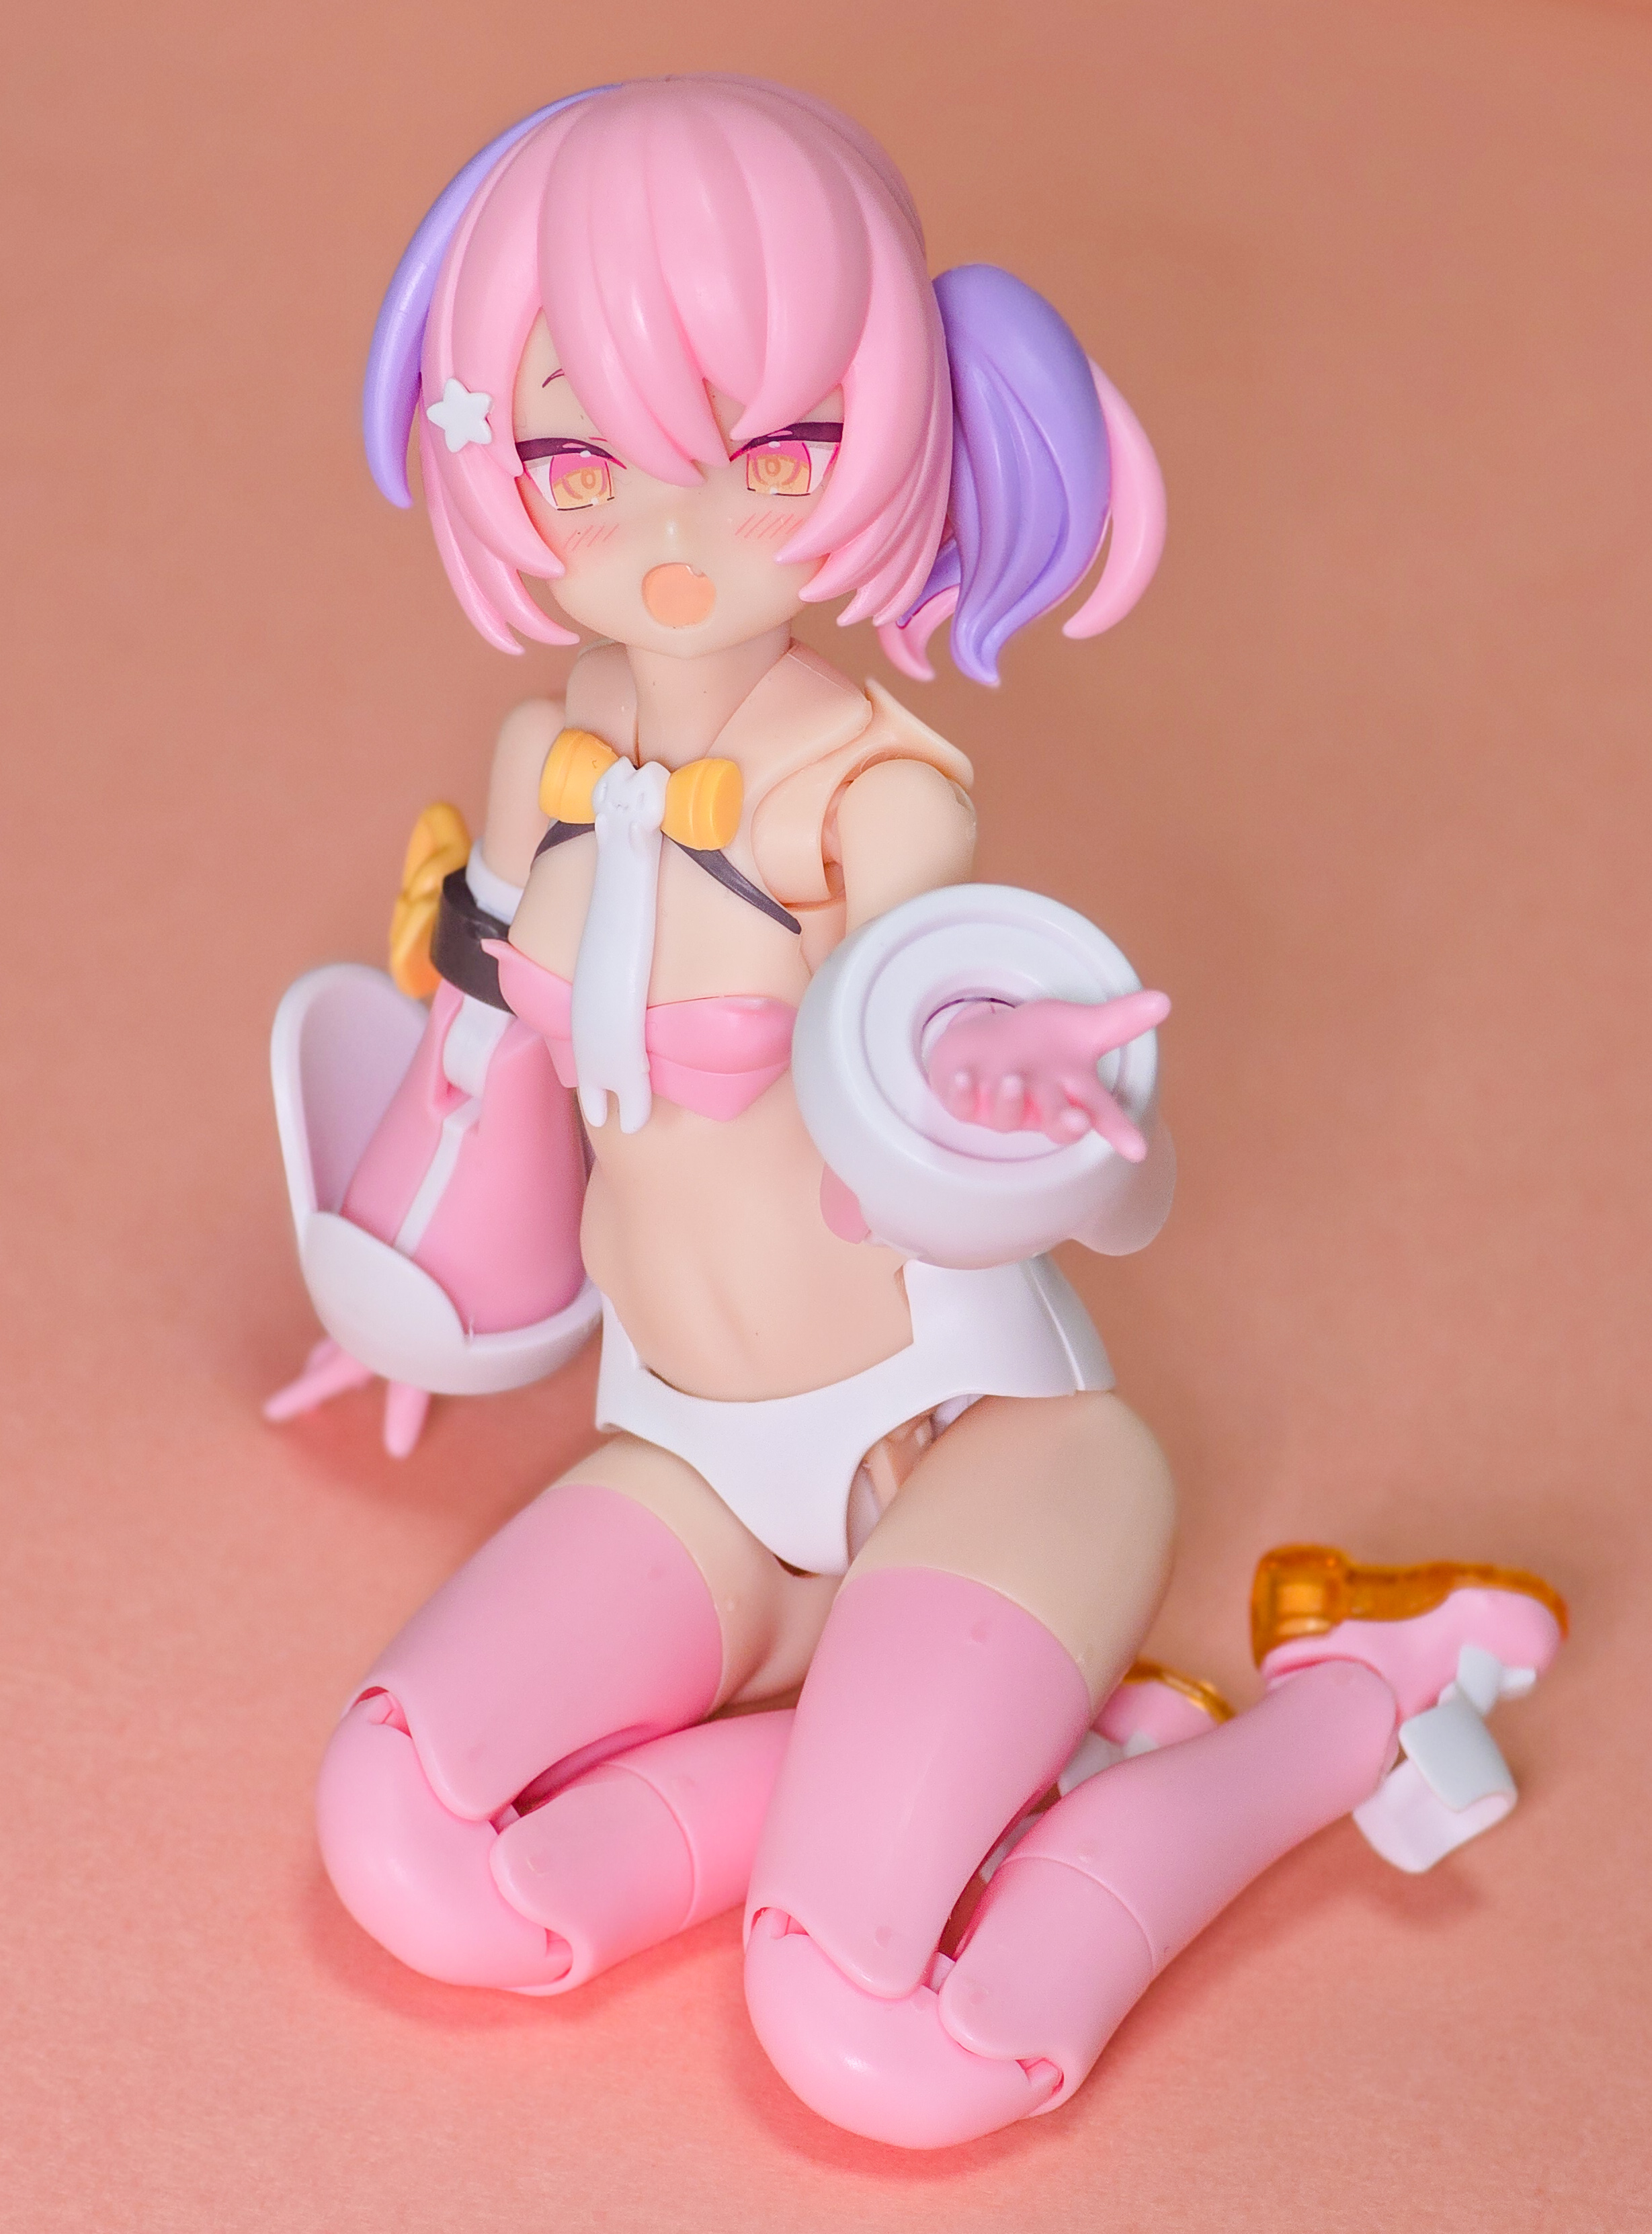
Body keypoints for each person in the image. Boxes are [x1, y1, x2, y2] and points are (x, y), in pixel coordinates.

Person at [270, 77, 1565, 2148]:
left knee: (874, 2034)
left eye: (766, 455)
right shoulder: (541, 763)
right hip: (692, 1455)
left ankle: (1346, 1703)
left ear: (885, 431)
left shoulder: (883, 798)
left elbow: (1096, 1181)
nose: (669, 543)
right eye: (581, 459)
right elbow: (485, 1065)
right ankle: (1021, 1760)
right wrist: (402, 1293)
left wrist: (1020, 1106)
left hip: (972, 1453)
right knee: (401, 1834)